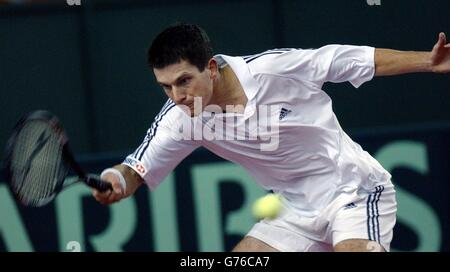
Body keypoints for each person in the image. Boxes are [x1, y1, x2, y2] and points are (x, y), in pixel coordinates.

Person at [92, 23, 450, 252]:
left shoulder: (274, 70)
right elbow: (136, 168)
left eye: (184, 80)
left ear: (212, 68)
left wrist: (429, 63)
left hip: (353, 190)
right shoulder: (180, 119)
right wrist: (115, 181)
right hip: (293, 210)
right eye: (165, 86)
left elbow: (351, 61)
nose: (177, 96)